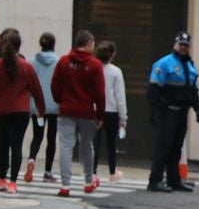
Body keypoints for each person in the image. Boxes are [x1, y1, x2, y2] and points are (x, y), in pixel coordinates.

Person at [0, 28, 44, 194]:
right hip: (21, 111)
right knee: (16, 145)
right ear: (19, 46)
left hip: (1, 111)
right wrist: (41, 109)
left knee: (3, 143)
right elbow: (36, 89)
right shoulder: (26, 66)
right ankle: (13, 183)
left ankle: (2, 179)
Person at [50, 29, 104, 197]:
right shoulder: (95, 65)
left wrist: (61, 100)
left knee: (66, 146)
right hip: (86, 111)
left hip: (66, 109)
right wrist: (100, 114)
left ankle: (65, 185)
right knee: (87, 145)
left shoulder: (64, 61)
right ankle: (88, 180)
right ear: (88, 43)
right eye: (93, 42)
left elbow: (54, 85)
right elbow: (100, 93)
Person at [147, 31, 199, 192]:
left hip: (181, 113)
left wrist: (198, 110)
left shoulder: (190, 66)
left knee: (176, 148)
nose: (183, 48)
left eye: (186, 46)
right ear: (175, 44)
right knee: (163, 147)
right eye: (181, 45)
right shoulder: (164, 63)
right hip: (167, 112)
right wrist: (155, 112)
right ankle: (155, 180)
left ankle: (173, 180)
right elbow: (153, 90)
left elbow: (193, 92)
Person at [26, 32, 59, 183]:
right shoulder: (59, 62)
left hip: (37, 105)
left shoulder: (32, 62)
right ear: (53, 44)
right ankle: (47, 172)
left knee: (37, 136)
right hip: (54, 105)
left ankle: (31, 159)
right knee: (51, 138)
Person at [93, 41, 127, 182]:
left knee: (95, 142)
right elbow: (120, 95)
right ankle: (112, 172)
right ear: (112, 55)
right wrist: (123, 116)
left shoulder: (94, 69)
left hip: (95, 110)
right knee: (111, 143)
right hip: (112, 111)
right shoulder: (116, 71)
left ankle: (92, 172)